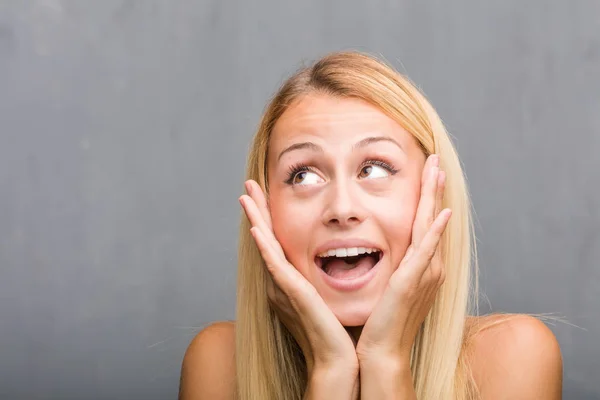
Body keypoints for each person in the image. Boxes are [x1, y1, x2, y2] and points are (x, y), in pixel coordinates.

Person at [178, 51, 563, 399]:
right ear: (264, 210)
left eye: (374, 169)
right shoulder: (217, 365)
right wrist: (330, 372)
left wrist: (385, 361)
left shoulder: (512, 357)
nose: (342, 209)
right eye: (303, 177)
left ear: (433, 191)